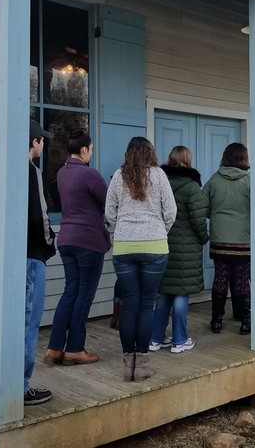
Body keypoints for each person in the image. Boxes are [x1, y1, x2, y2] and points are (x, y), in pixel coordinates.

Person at [0, 119, 56, 406]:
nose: (43, 144)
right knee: (27, 321)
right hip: (29, 256)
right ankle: (20, 385)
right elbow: (41, 216)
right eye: (41, 140)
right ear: (34, 142)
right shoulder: (29, 171)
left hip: (0, 253)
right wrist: (49, 245)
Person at [106, 137, 176, 381]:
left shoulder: (118, 175)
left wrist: (123, 227)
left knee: (129, 304)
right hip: (154, 246)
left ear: (128, 154)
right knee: (147, 304)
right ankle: (143, 364)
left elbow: (109, 213)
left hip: (124, 247)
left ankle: (128, 365)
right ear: (150, 153)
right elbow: (170, 212)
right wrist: (158, 231)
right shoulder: (158, 175)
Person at [44, 129, 110, 367]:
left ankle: (54, 348)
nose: (91, 153)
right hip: (88, 240)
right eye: (90, 149)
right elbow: (108, 202)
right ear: (84, 150)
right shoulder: (89, 174)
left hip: (67, 238)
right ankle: (74, 349)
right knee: (84, 293)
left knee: (70, 291)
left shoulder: (62, 173)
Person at [149, 146, 208, 354]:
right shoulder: (192, 187)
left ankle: (155, 338)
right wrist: (204, 238)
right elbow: (198, 219)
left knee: (165, 292)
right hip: (187, 247)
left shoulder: (158, 183)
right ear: (188, 160)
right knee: (181, 292)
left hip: (161, 242)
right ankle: (179, 340)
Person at [204, 142, 251, 335]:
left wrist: (216, 217)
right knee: (241, 280)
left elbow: (203, 207)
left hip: (219, 239)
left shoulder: (214, 180)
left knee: (220, 278)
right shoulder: (249, 180)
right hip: (243, 239)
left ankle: (216, 320)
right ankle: (245, 321)